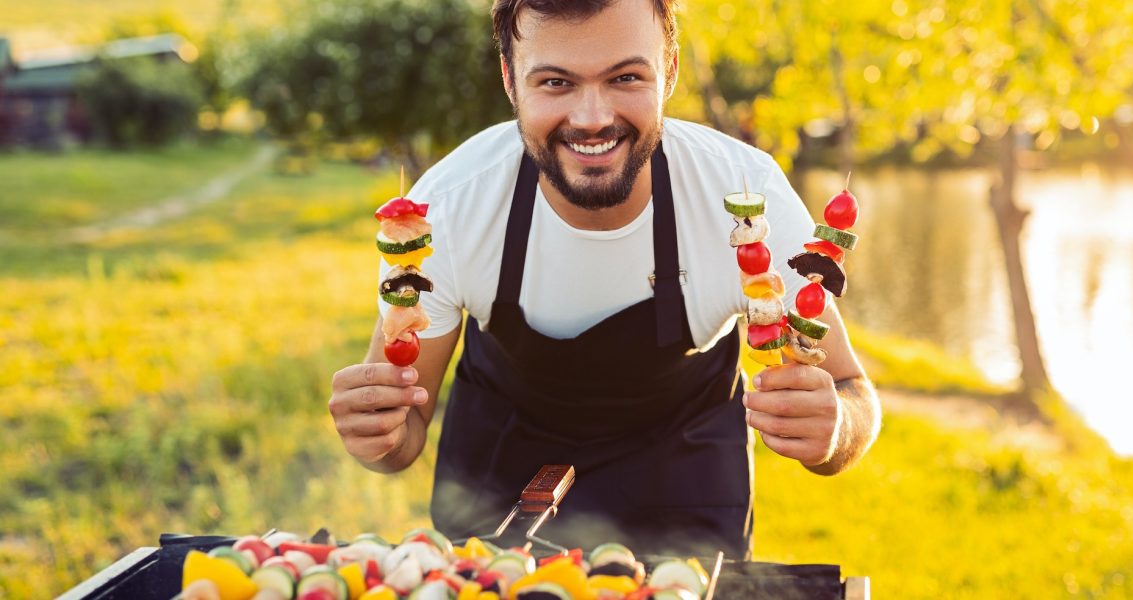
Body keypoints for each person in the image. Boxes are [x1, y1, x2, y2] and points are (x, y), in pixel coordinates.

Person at [329, 0, 880, 559]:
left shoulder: (745, 199)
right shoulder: (443, 211)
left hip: (682, 480)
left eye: (625, 77)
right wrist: (381, 434)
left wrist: (833, 430)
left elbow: (851, 392)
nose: (592, 117)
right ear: (510, 80)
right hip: (499, 482)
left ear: (668, 70)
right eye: (555, 82)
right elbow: (404, 429)